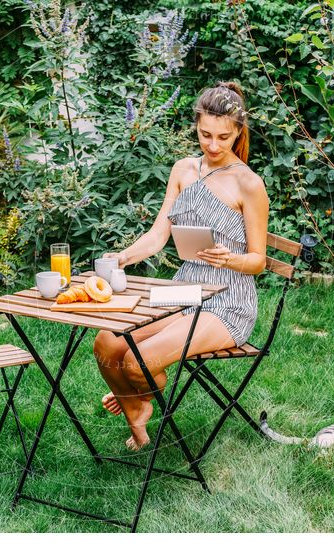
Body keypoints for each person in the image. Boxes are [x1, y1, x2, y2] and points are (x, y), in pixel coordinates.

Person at [94, 81, 269, 450]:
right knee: (107, 343)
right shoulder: (183, 170)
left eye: (224, 137)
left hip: (228, 301)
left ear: (239, 131)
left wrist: (231, 259)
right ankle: (135, 403)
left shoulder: (249, 184)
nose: (213, 145)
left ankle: (137, 399)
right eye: (206, 134)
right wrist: (123, 257)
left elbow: (259, 261)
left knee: (136, 362)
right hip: (184, 288)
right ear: (196, 126)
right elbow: (158, 236)